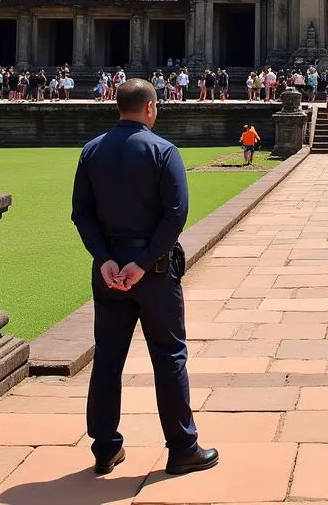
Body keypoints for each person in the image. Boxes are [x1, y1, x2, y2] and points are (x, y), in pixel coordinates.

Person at [71, 78, 218, 476]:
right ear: (150, 107)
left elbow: (81, 213)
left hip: (109, 273)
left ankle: (105, 447)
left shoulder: (92, 151)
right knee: (169, 356)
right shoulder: (163, 151)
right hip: (152, 273)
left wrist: (104, 259)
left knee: (108, 358)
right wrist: (144, 262)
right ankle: (182, 447)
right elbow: (176, 214)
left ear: (118, 106)